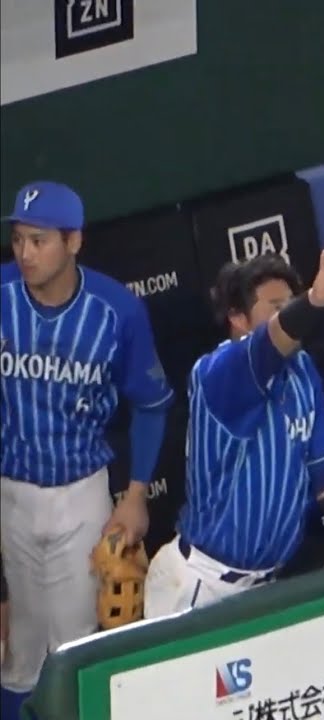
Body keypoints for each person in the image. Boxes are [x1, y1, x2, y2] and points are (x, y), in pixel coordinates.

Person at [0, 181, 173, 717]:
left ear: (73, 241)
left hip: (80, 493)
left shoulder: (116, 310)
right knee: (19, 650)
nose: (25, 253)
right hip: (9, 490)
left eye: (39, 241)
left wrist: (136, 495)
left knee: (73, 647)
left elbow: (152, 403)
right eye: (18, 240)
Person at [142, 237, 324, 618]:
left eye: (292, 302)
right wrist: (315, 300)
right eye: (276, 307)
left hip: (264, 586)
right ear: (238, 317)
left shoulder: (302, 371)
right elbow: (268, 345)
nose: (289, 314)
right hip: (197, 584)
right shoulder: (218, 372)